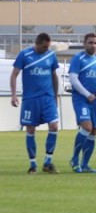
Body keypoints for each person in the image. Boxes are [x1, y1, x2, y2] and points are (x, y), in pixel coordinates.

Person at [10, 32, 61, 174]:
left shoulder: (51, 56)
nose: (46, 49)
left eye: (48, 47)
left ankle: (48, 162)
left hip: (48, 98)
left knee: (54, 126)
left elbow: (54, 76)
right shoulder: (24, 55)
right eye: (44, 47)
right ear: (37, 43)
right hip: (30, 99)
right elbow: (14, 74)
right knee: (30, 129)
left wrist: (55, 96)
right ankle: (33, 164)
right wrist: (14, 95)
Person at [68, 32, 96, 173]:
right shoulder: (78, 58)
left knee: (93, 130)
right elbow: (73, 79)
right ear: (84, 44)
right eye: (90, 42)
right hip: (81, 99)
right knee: (87, 126)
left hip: (94, 100)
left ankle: (85, 165)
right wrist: (87, 94)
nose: (93, 45)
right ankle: (74, 159)